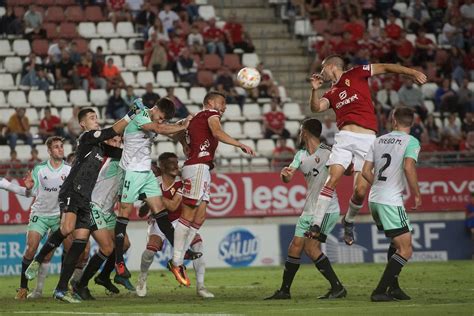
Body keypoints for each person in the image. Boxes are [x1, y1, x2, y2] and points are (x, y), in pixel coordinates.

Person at [24, 102, 142, 303]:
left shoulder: (101, 147)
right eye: (92, 118)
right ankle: (37, 258)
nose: (96, 121)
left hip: (85, 199)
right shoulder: (87, 138)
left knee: (79, 245)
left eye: (96, 118)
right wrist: (131, 114)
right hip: (72, 191)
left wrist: (144, 139)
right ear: (83, 124)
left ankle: (61, 290)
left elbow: (123, 156)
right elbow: (111, 130)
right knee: (67, 228)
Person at [306, 55, 426, 246]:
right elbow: (316, 108)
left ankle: (348, 221)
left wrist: (412, 73)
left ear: (331, 66)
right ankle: (316, 224)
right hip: (344, 137)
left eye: (323, 70)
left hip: (367, 140)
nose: (321, 74)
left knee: (360, 191)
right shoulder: (330, 93)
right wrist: (314, 91)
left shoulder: (356, 73)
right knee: (332, 179)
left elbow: (386, 66)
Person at [168, 91, 255, 286]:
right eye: (222, 102)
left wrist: (184, 141)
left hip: (201, 167)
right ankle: (177, 261)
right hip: (198, 167)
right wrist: (239, 144)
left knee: (200, 216)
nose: (224, 107)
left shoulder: (195, 119)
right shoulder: (210, 114)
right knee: (188, 214)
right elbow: (217, 132)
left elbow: (178, 135)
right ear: (210, 102)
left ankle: (179, 258)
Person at [265, 119, 346, 300]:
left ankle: (337, 287)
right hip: (308, 209)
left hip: (326, 209)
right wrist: (284, 175)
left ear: (306, 132)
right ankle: (285, 291)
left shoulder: (328, 153)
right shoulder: (300, 155)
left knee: (310, 248)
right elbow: (289, 176)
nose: (299, 134)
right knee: (294, 247)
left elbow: (340, 173)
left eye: (301, 131)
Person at [114, 98, 192, 278]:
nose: (160, 121)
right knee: (124, 213)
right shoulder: (141, 115)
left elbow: (169, 131)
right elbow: (158, 129)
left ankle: (180, 251)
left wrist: (183, 128)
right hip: (131, 171)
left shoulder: (156, 120)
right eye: (160, 117)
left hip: (146, 172)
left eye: (163, 119)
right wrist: (181, 126)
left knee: (161, 212)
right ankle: (119, 262)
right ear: (155, 109)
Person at [362, 107, 421, 302]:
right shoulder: (411, 141)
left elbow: (365, 171)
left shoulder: (378, 140)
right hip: (390, 201)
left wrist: (379, 186)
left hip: (374, 198)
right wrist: (417, 194)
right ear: (412, 123)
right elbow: (408, 166)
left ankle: (394, 289)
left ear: (393, 121)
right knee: (406, 249)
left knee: (395, 244)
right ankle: (380, 291)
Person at [0, 137, 71, 300]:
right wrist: (29, 187)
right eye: (56, 147)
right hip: (40, 214)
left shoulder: (68, 170)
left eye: (61, 146)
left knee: (69, 248)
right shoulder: (40, 169)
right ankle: (23, 288)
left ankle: (63, 286)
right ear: (49, 151)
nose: (60, 149)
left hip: (58, 216)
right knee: (31, 249)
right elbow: (31, 193)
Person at [136, 152, 214, 298]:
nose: (176, 166)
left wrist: (154, 195)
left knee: (197, 245)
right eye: (172, 162)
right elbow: (141, 213)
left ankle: (201, 286)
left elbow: (173, 206)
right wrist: (146, 200)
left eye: (176, 162)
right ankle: (142, 278)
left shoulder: (182, 181)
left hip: (179, 220)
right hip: (159, 221)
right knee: (150, 251)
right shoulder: (153, 181)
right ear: (162, 166)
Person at [72, 136, 135, 300]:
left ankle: (104, 276)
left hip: (108, 211)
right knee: (107, 248)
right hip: (95, 207)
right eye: (112, 141)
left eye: (118, 141)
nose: (116, 143)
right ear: (107, 145)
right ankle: (80, 285)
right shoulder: (114, 161)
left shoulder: (123, 163)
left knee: (125, 244)